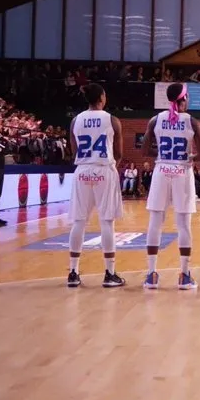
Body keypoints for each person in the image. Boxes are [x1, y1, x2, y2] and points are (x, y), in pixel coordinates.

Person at [141, 83, 200, 290]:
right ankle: (184, 275)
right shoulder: (192, 121)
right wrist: (190, 156)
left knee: (155, 222)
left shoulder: (155, 120)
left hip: (161, 171)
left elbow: (144, 151)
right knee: (183, 224)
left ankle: (151, 274)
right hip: (182, 173)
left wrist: (161, 155)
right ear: (183, 99)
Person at [66, 83, 125, 288]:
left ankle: (73, 272)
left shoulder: (75, 120)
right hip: (103, 168)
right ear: (101, 97)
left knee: (79, 221)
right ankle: (109, 273)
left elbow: (73, 151)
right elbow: (118, 153)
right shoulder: (112, 120)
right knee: (107, 222)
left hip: (82, 170)